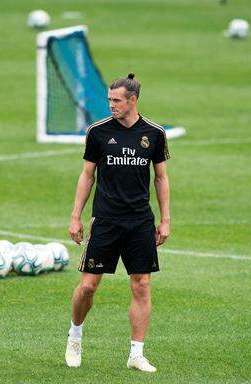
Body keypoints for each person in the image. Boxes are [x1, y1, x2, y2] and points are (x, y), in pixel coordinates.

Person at [64, 73, 171, 373]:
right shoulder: (98, 132)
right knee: (88, 286)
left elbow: (161, 178)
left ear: (132, 100)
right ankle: (75, 336)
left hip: (139, 223)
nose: (110, 105)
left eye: (116, 100)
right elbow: (87, 175)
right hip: (106, 222)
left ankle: (136, 354)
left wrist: (165, 219)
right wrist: (75, 215)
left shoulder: (154, 133)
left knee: (141, 286)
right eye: (109, 100)